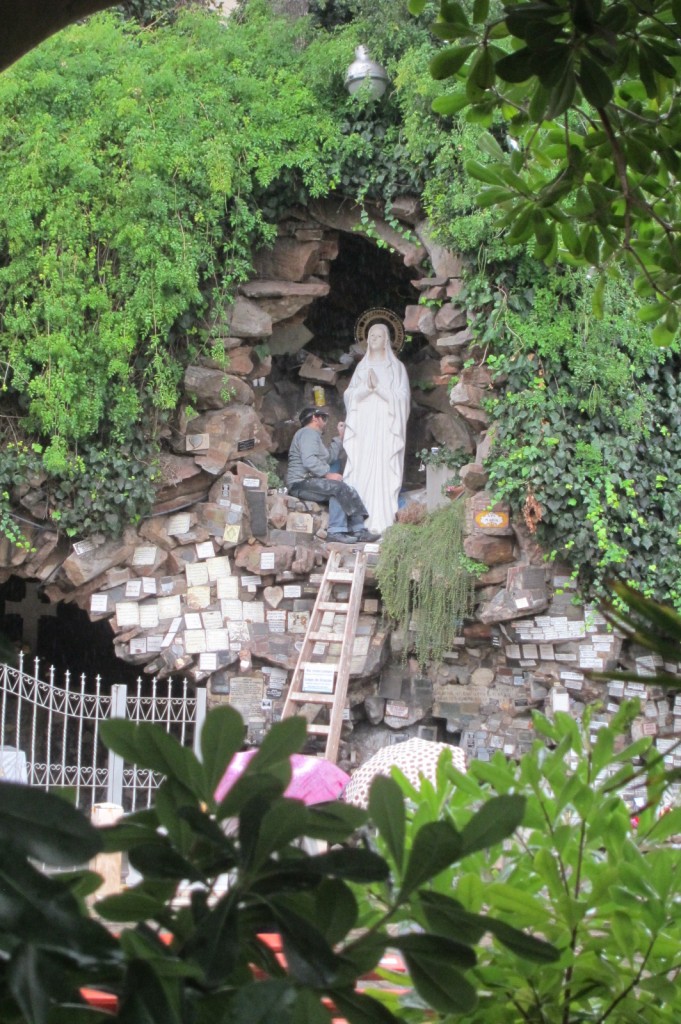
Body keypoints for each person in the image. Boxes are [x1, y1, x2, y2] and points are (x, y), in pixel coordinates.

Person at [343, 322, 410, 535]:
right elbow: (350, 395)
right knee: (361, 469)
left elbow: (403, 398)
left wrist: (379, 389)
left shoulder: (396, 368)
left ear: (387, 340)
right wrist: (365, 389)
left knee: (383, 469)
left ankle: (382, 519)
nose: (373, 339)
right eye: (370, 335)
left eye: (378, 336)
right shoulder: (361, 368)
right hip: (364, 428)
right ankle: (358, 521)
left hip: (385, 428)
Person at [286, 407, 379, 544]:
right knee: (339, 488)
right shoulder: (307, 433)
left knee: (343, 490)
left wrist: (340, 437)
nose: (325, 422)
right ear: (314, 418)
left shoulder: (314, 437)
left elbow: (329, 457)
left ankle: (358, 531)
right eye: (323, 418)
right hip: (301, 482)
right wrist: (327, 474)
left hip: (309, 481)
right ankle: (337, 532)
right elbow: (309, 460)